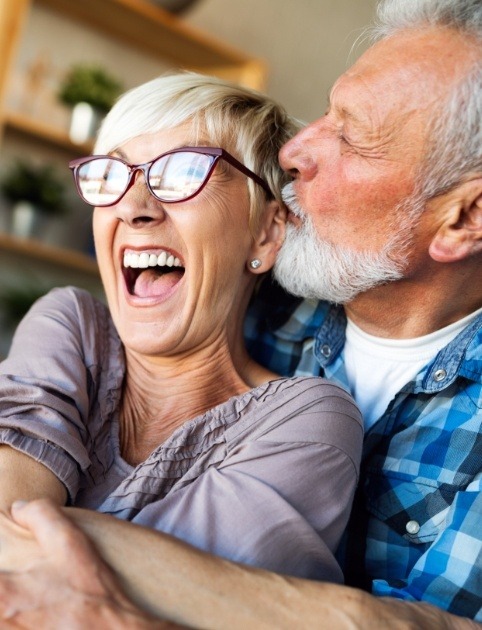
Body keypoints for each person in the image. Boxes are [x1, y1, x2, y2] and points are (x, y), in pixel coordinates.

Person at [0, 0, 481, 627]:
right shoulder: (93, 324)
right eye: (109, 174)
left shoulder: (304, 410)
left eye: (352, 137)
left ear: (465, 218)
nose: (295, 151)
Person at [0, 72, 363, 582]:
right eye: (113, 176)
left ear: (267, 232)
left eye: (182, 171)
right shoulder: (71, 324)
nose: (132, 207)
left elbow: (173, 595)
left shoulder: (308, 420)